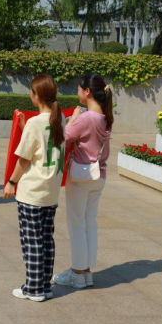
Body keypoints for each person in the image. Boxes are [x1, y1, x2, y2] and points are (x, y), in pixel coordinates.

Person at [4, 74, 66, 302]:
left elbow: (24, 158)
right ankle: (44, 285)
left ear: (37, 96)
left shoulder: (35, 123)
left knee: (31, 241)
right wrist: (25, 126)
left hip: (32, 191)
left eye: (31, 92)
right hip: (51, 191)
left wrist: (11, 182)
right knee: (46, 239)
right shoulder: (60, 118)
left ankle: (33, 288)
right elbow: (43, 142)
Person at [54, 73, 113, 289]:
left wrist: (73, 118)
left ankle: (77, 273)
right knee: (90, 224)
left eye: (79, 89)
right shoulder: (105, 117)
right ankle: (86, 271)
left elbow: (63, 137)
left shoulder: (87, 118)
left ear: (87, 92)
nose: (77, 92)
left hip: (81, 176)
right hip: (99, 175)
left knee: (77, 224)